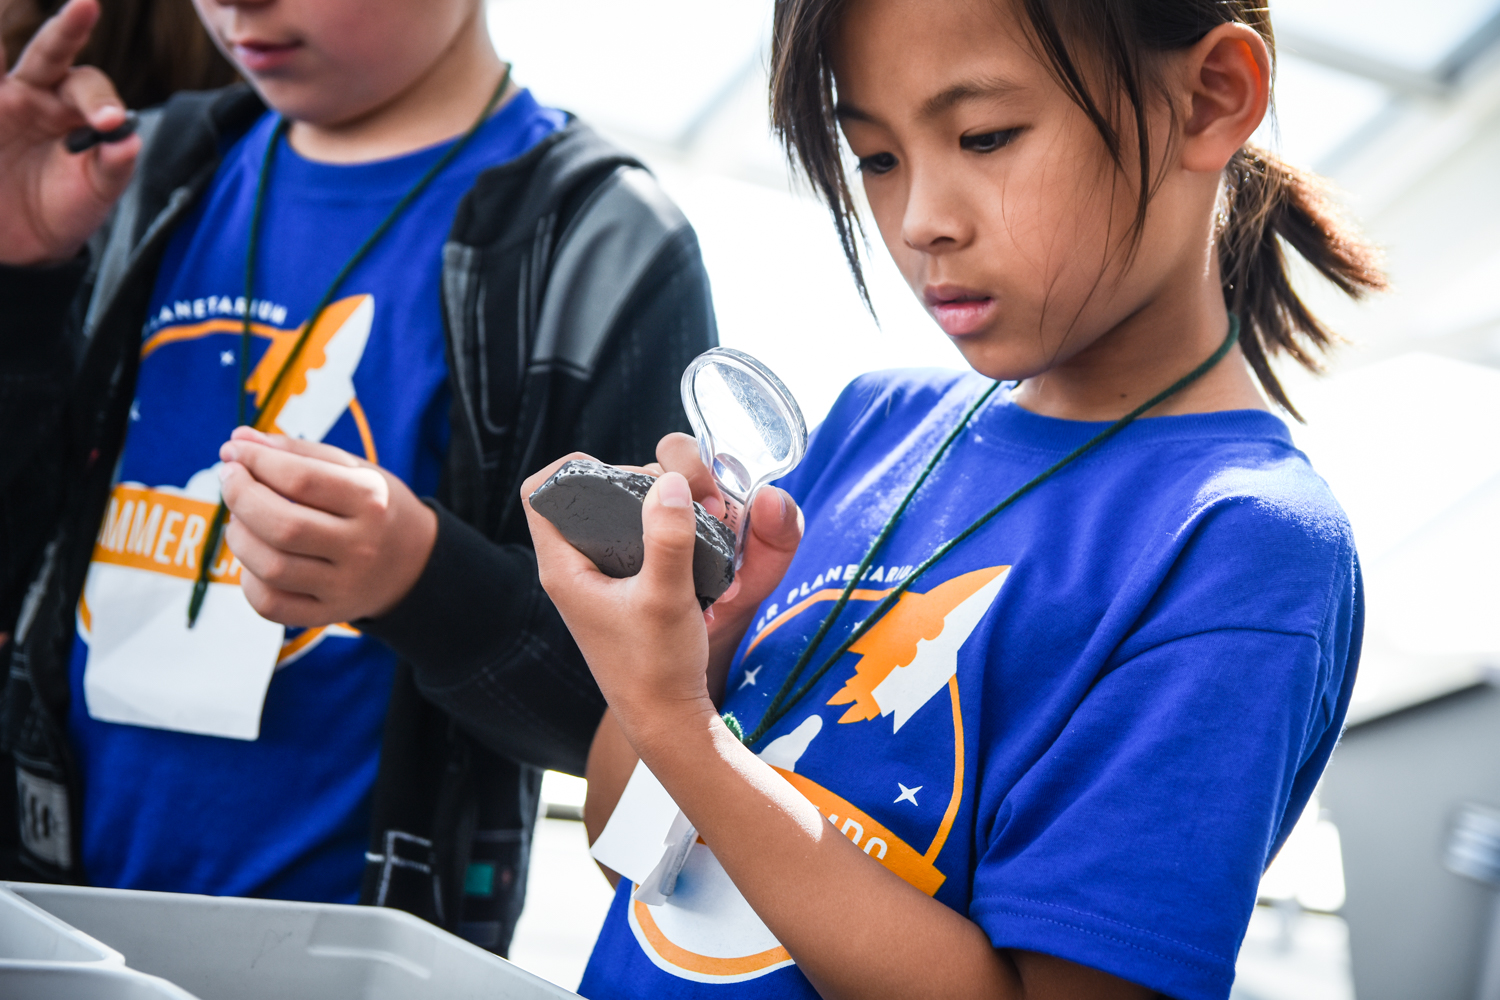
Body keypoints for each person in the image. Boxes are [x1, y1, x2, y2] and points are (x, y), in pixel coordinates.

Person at [522, 0, 1383, 997]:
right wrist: (685, 648)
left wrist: (681, 727)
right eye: (877, 158)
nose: (921, 217)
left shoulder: (1243, 542)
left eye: (985, 136)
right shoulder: (873, 424)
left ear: (1210, 99)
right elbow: (634, 859)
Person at [0, 0, 714, 956]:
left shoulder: (599, 246)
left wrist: (425, 580)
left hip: (358, 954)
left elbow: (649, 708)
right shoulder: (145, 169)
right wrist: (22, 282)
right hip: (50, 924)